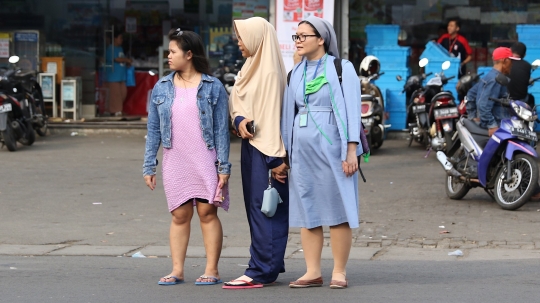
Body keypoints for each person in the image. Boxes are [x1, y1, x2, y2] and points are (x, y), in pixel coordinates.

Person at [143, 28, 231, 286]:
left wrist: (223, 167)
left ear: (189, 54)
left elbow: (221, 130)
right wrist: (149, 164)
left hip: (206, 157)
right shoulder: (161, 87)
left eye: (173, 52)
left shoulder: (213, 87)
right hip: (175, 158)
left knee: (207, 213)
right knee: (179, 215)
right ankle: (177, 270)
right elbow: (153, 130)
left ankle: (211, 270)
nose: (168, 56)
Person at [281, 16, 362, 289]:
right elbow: (287, 114)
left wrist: (351, 150)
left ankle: (339, 271)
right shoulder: (295, 72)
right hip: (301, 150)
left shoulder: (342, 68)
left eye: (304, 35)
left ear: (322, 39)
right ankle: (312, 271)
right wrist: (283, 155)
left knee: (336, 208)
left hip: (332, 147)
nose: (299, 41)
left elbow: (352, 110)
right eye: (297, 36)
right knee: (308, 209)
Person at [222, 17, 289, 289]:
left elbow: (272, 118)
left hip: (268, 151)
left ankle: (261, 270)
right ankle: (265, 264)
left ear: (257, 39)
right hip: (251, 145)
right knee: (257, 208)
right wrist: (239, 120)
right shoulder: (250, 66)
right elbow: (237, 102)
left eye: (242, 37)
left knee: (267, 210)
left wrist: (275, 160)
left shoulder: (270, 73)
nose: (238, 42)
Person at [465, 47, 518, 136]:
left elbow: (470, 94)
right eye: (511, 61)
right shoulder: (496, 79)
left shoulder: (489, 76)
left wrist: (473, 116)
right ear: (504, 60)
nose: (512, 64)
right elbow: (483, 104)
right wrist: (492, 125)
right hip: (498, 125)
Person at [104, 31, 132, 116]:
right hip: (113, 76)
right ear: (115, 39)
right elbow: (116, 59)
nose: (122, 40)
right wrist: (126, 60)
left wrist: (127, 62)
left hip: (121, 76)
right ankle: (116, 111)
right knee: (115, 95)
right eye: (120, 38)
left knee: (123, 93)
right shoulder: (110, 49)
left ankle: (118, 110)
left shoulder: (120, 48)